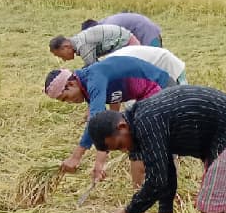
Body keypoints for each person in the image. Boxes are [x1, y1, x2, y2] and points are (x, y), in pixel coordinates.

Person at [87, 86, 226, 213]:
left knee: (210, 205)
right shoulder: (140, 122)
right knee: (217, 197)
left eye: (120, 145)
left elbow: (157, 181)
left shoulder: (146, 122)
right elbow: (165, 169)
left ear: (122, 126)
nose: (125, 150)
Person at [44, 57, 172, 184]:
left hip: (159, 86)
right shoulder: (86, 85)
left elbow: (96, 121)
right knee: (135, 141)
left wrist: (76, 157)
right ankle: (143, 189)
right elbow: (102, 125)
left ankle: (156, 188)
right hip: (145, 95)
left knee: (141, 140)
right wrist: (99, 164)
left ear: (71, 84)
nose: (69, 102)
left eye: (66, 98)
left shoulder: (94, 79)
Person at [49, 24, 139, 66]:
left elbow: (94, 69)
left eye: (61, 56)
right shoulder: (78, 40)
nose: (64, 60)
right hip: (126, 41)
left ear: (65, 47)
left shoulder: (82, 45)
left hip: (128, 45)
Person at [99, 45, 188, 85]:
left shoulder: (118, 65)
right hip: (159, 61)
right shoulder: (110, 62)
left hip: (166, 63)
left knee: (183, 97)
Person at [83, 12, 163, 47]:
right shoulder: (102, 25)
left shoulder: (109, 28)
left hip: (147, 32)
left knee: (155, 60)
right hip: (139, 33)